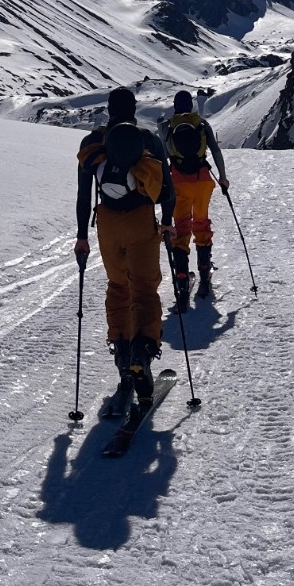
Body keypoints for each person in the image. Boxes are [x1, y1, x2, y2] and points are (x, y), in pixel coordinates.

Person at [74, 86, 175, 416]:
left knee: (118, 288)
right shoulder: (149, 141)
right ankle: (141, 356)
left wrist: (82, 236)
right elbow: (168, 191)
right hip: (140, 221)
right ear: (134, 109)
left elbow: (84, 194)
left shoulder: (93, 143)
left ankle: (123, 361)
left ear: (108, 109)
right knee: (144, 290)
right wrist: (168, 223)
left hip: (107, 223)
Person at [160, 90, 228, 307]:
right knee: (201, 223)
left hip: (178, 183)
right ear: (190, 106)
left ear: (175, 106)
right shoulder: (201, 124)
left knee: (181, 228)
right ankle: (204, 273)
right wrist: (223, 177)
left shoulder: (167, 127)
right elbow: (215, 151)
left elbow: (162, 158)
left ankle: (181, 280)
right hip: (202, 181)